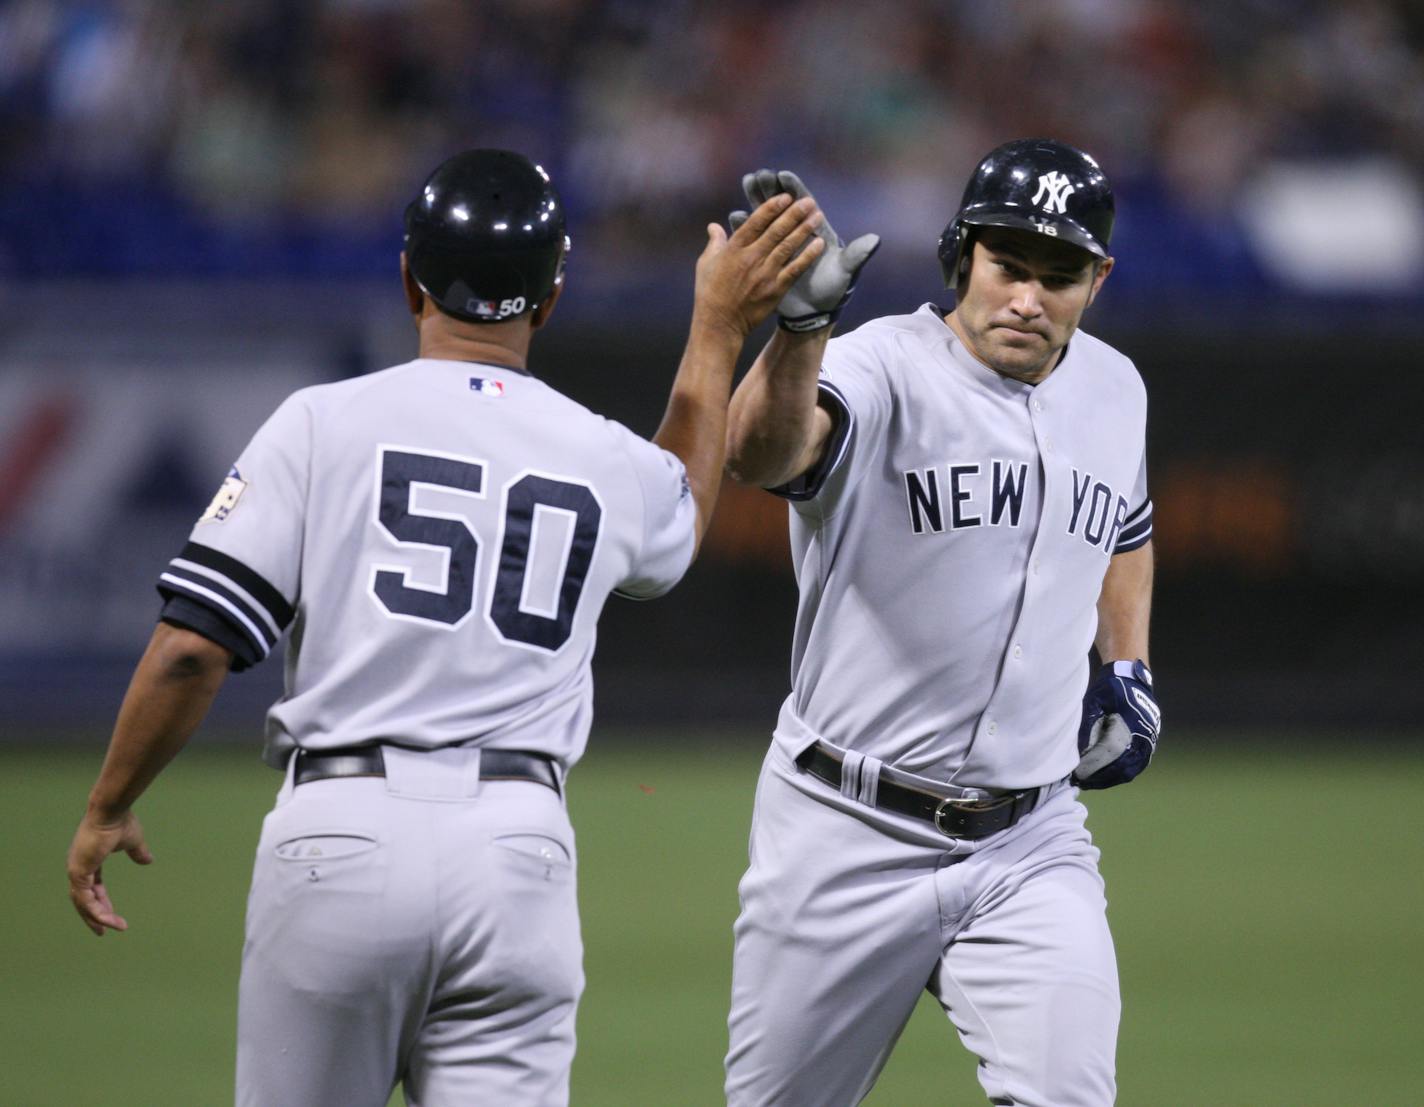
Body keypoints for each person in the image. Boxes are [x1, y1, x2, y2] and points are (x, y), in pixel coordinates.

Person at [65, 147, 826, 1107]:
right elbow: (680, 507)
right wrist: (718, 327)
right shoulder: (597, 452)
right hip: (519, 851)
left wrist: (108, 803)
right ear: (551, 298)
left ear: (408, 277)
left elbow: (191, 647)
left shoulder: (322, 423)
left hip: (341, 833)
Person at [721, 138, 1160, 1107]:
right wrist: (798, 331)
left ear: (1097, 280)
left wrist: (1125, 664)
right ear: (960, 255)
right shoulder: (878, 366)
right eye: (1008, 266)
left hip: (1028, 838)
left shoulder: (1112, 388)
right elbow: (761, 456)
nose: (1026, 298)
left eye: (1058, 276)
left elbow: (1125, 528)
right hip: (844, 826)